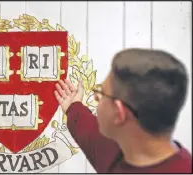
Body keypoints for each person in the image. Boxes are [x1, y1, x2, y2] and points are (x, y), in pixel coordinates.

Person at [54, 48, 192, 173]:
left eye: (101, 93)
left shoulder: (112, 154)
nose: (96, 97)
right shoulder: (119, 149)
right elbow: (87, 129)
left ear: (119, 113)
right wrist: (74, 106)